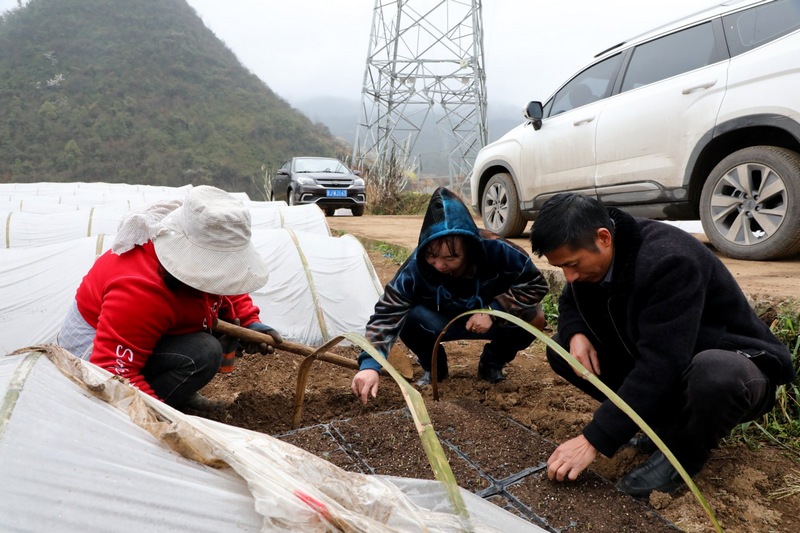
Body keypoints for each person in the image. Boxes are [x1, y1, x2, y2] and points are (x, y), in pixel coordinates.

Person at [529, 193, 795, 497]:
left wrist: (594, 439)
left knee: (716, 374)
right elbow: (570, 301)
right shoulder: (596, 261)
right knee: (562, 348)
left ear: (603, 238)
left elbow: (662, 364)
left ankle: (681, 458)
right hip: (669, 360)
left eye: (573, 264)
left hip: (738, 368)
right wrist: (576, 333)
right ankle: (665, 431)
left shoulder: (668, 261)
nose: (569, 277)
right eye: (561, 267)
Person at [57, 185, 283, 411]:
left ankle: (177, 396)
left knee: (204, 348)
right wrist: (159, 420)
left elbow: (224, 280)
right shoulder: (140, 290)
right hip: (94, 349)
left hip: (143, 327)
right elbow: (112, 371)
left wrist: (250, 321)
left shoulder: (200, 263)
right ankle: (161, 406)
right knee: (203, 352)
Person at [351, 187, 548, 405]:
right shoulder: (416, 267)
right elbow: (388, 312)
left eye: (451, 258)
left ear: (469, 249)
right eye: (432, 257)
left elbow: (536, 284)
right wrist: (370, 364)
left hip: (493, 321)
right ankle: (435, 368)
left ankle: (492, 363)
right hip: (439, 321)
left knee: (535, 317)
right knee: (407, 316)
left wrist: (494, 310)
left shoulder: (498, 251)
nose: (440, 265)